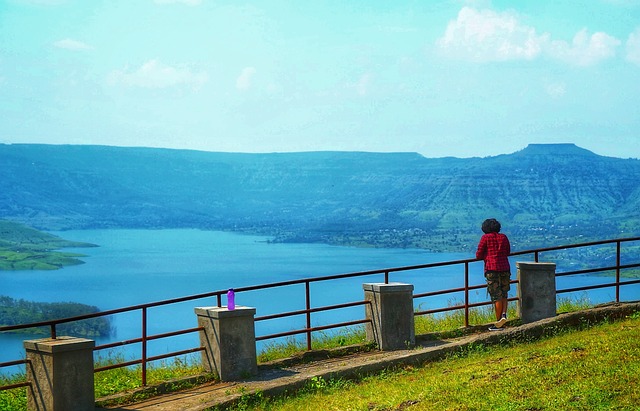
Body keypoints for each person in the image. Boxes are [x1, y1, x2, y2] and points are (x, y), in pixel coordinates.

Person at [476, 218, 511, 331]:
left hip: (492, 269)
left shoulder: (485, 238)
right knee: (504, 293)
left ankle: (498, 323)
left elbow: (478, 254)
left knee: (496, 296)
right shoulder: (503, 237)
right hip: (505, 268)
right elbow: (508, 251)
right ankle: (504, 315)